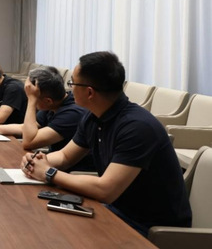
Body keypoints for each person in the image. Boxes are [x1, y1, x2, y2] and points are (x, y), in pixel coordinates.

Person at [22, 52, 191, 236]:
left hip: (148, 226)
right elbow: (65, 156)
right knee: (41, 224)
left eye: (72, 83)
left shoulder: (137, 127)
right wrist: (37, 161)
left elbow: (106, 190)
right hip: (115, 211)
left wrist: (48, 172)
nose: (69, 89)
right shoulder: (92, 117)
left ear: (89, 92)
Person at [0, 66, 93, 171]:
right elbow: (25, 127)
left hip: (71, 172)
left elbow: (29, 142)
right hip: (51, 165)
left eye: (30, 94)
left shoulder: (73, 113)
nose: (28, 96)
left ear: (48, 101)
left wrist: (32, 101)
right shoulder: (54, 104)